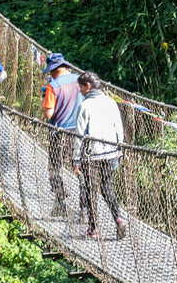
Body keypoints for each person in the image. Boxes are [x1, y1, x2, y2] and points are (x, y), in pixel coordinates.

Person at [74, 71, 127, 240]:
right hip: (111, 153)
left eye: (81, 87)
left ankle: (94, 228)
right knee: (106, 186)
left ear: (87, 86)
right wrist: (120, 150)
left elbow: (79, 135)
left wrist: (76, 159)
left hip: (92, 155)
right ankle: (118, 218)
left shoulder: (85, 106)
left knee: (91, 189)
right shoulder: (111, 102)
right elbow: (119, 128)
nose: (80, 91)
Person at [41, 53, 81, 218]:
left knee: (55, 167)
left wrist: (44, 100)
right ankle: (85, 209)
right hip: (81, 133)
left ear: (54, 70)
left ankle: (60, 203)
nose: (49, 74)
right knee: (81, 169)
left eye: (50, 71)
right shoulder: (81, 80)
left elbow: (49, 113)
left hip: (60, 134)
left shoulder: (53, 86)